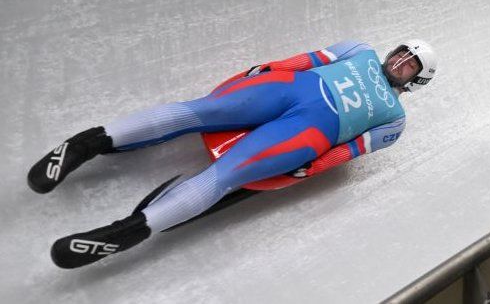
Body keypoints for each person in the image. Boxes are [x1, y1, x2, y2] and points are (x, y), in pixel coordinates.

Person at [27, 39, 437, 269]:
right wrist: (269, 68)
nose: (400, 62)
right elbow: (309, 59)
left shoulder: (395, 120)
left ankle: (126, 233)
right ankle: (87, 143)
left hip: (308, 133)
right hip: (286, 89)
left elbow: (351, 150)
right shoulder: (359, 49)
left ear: (416, 80)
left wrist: (313, 166)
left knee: (227, 175)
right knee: (198, 111)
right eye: (402, 52)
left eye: (409, 64)